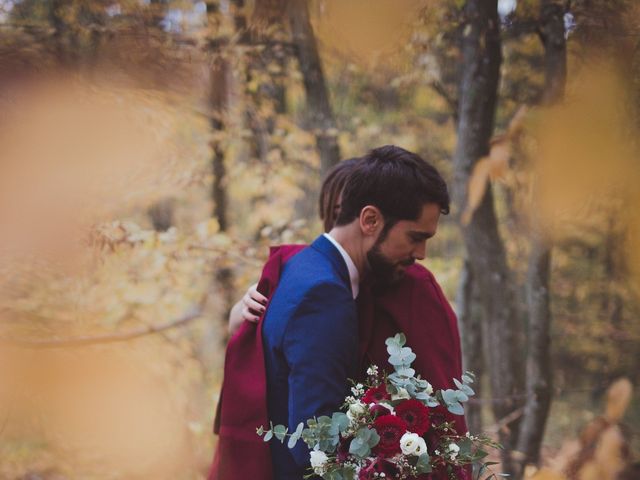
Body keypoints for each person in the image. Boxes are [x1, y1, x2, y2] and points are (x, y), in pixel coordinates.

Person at [209, 146, 466, 480]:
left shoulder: (300, 267)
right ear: (370, 220)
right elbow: (314, 446)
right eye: (415, 237)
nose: (422, 253)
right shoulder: (325, 293)